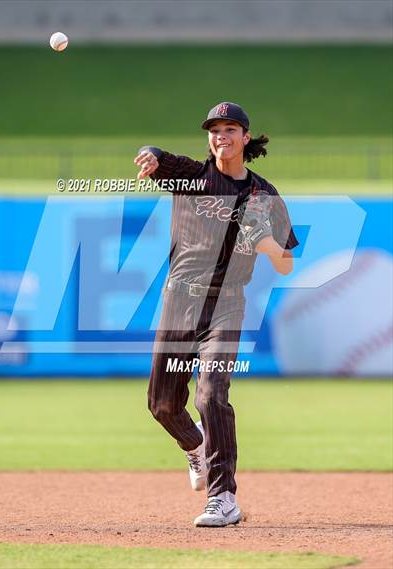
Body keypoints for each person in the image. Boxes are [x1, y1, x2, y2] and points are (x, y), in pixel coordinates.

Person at [134, 102, 299, 527]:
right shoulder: (193, 177)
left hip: (226, 303)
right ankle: (196, 449)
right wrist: (150, 155)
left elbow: (286, 263)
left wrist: (266, 244)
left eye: (230, 129)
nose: (221, 136)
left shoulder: (264, 195)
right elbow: (157, 157)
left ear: (246, 137)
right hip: (179, 302)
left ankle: (223, 496)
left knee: (210, 392)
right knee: (162, 404)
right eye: (214, 130)